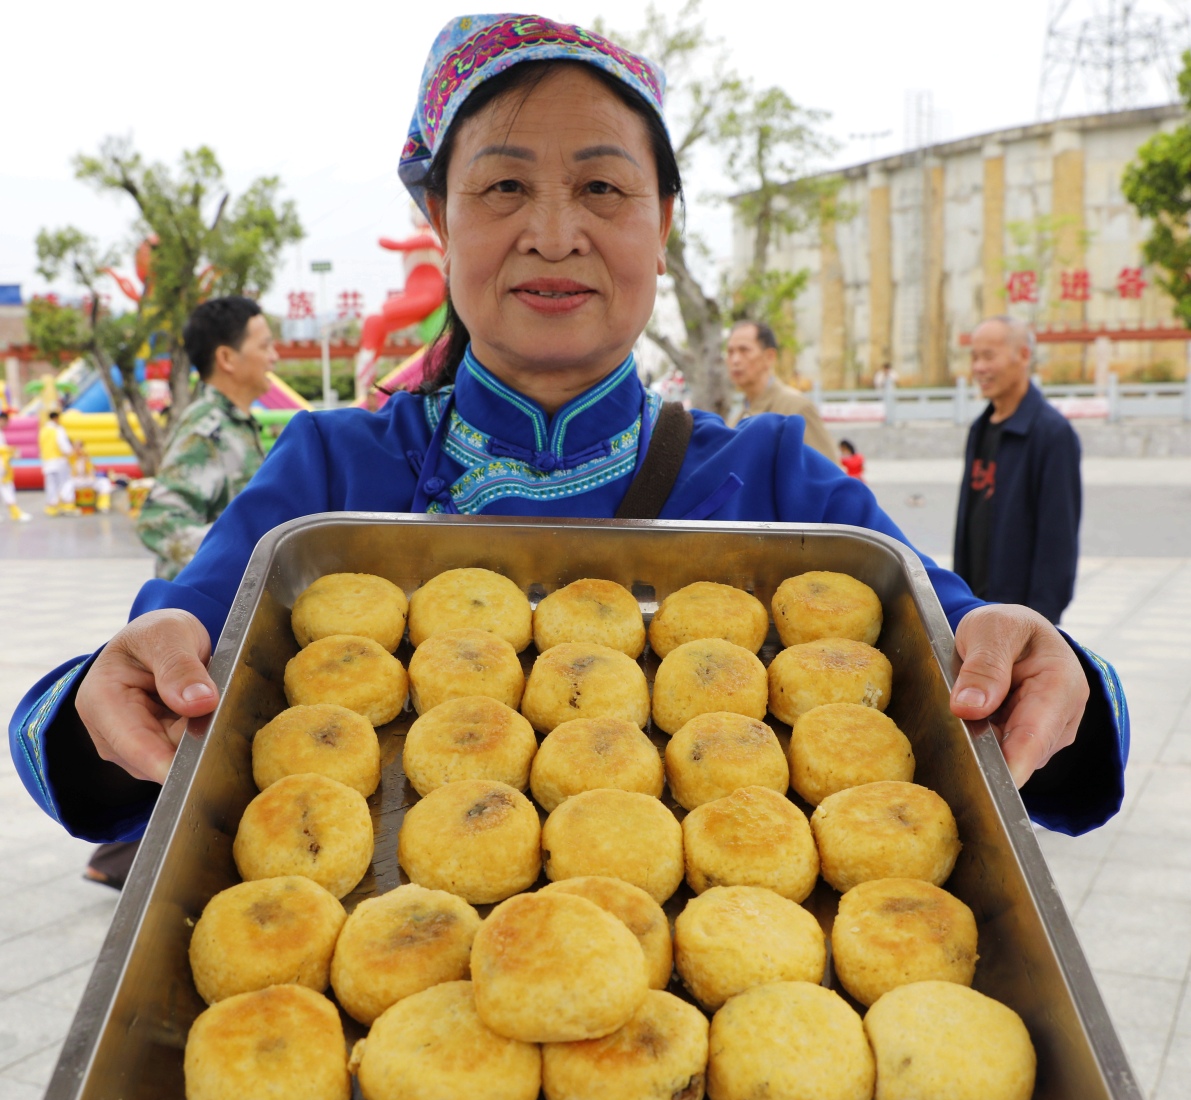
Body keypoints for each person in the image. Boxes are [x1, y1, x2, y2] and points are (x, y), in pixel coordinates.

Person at [10, 14, 1126, 882]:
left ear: (662, 223)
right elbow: (146, 687)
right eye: (502, 187)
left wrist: (1034, 656)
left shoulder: (778, 480)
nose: (554, 232)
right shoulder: (331, 477)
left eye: (602, 185)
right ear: (439, 223)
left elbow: (972, 659)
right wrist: (103, 692)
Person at [953, 316, 1081, 626]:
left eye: (988, 356)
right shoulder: (980, 429)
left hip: (1022, 620)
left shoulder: (1052, 434)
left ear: (1023, 356)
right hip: (976, 611)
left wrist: (1041, 624)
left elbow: (1058, 542)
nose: (979, 368)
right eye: (974, 357)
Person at [136, 296, 273, 580]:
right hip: (202, 614)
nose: (274, 357)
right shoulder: (207, 428)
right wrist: (245, 554)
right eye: (264, 346)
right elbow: (158, 521)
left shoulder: (235, 423)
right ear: (226, 358)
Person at [724, 320, 839, 463]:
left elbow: (829, 473)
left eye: (744, 350)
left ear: (769, 357)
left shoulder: (796, 409)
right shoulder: (735, 418)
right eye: (730, 352)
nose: (735, 360)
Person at [38, 410, 76, 516]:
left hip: (47, 462)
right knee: (66, 482)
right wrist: (71, 453)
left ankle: (52, 507)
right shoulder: (58, 429)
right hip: (59, 460)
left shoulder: (43, 431)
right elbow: (64, 445)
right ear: (56, 418)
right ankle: (67, 505)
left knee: (51, 485)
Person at [61, 439, 113, 513]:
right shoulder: (70, 458)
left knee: (104, 482)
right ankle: (68, 507)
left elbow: (92, 472)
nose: (78, 449)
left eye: (80, 446)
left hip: (88, 480)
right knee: (67, 485)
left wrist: (87, 461)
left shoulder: (87, 457)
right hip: (76, 480)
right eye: (76, 446)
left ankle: (103, 505)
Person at [0, 412, 32, 522]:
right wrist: (12, 450)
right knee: (6, 487)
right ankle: (15, 512)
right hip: (2, 465)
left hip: (4, 463)